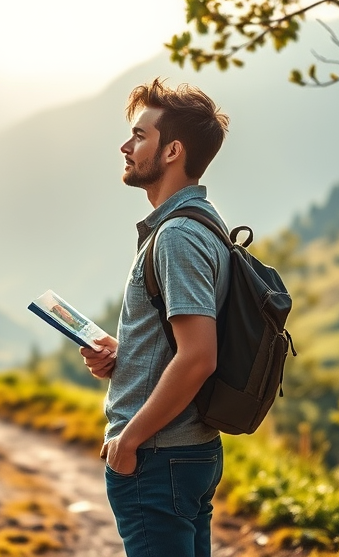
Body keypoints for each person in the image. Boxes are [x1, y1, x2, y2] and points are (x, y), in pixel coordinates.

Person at [79, 78, 231, 557]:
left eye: (140, 136)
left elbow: (199, 357)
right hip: (187, 453)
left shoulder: (177, 236)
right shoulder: (205, 223)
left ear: (172, 152)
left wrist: (129, 441)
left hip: (158, 456)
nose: (125, 146)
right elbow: (185, 342)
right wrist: (127, 356)